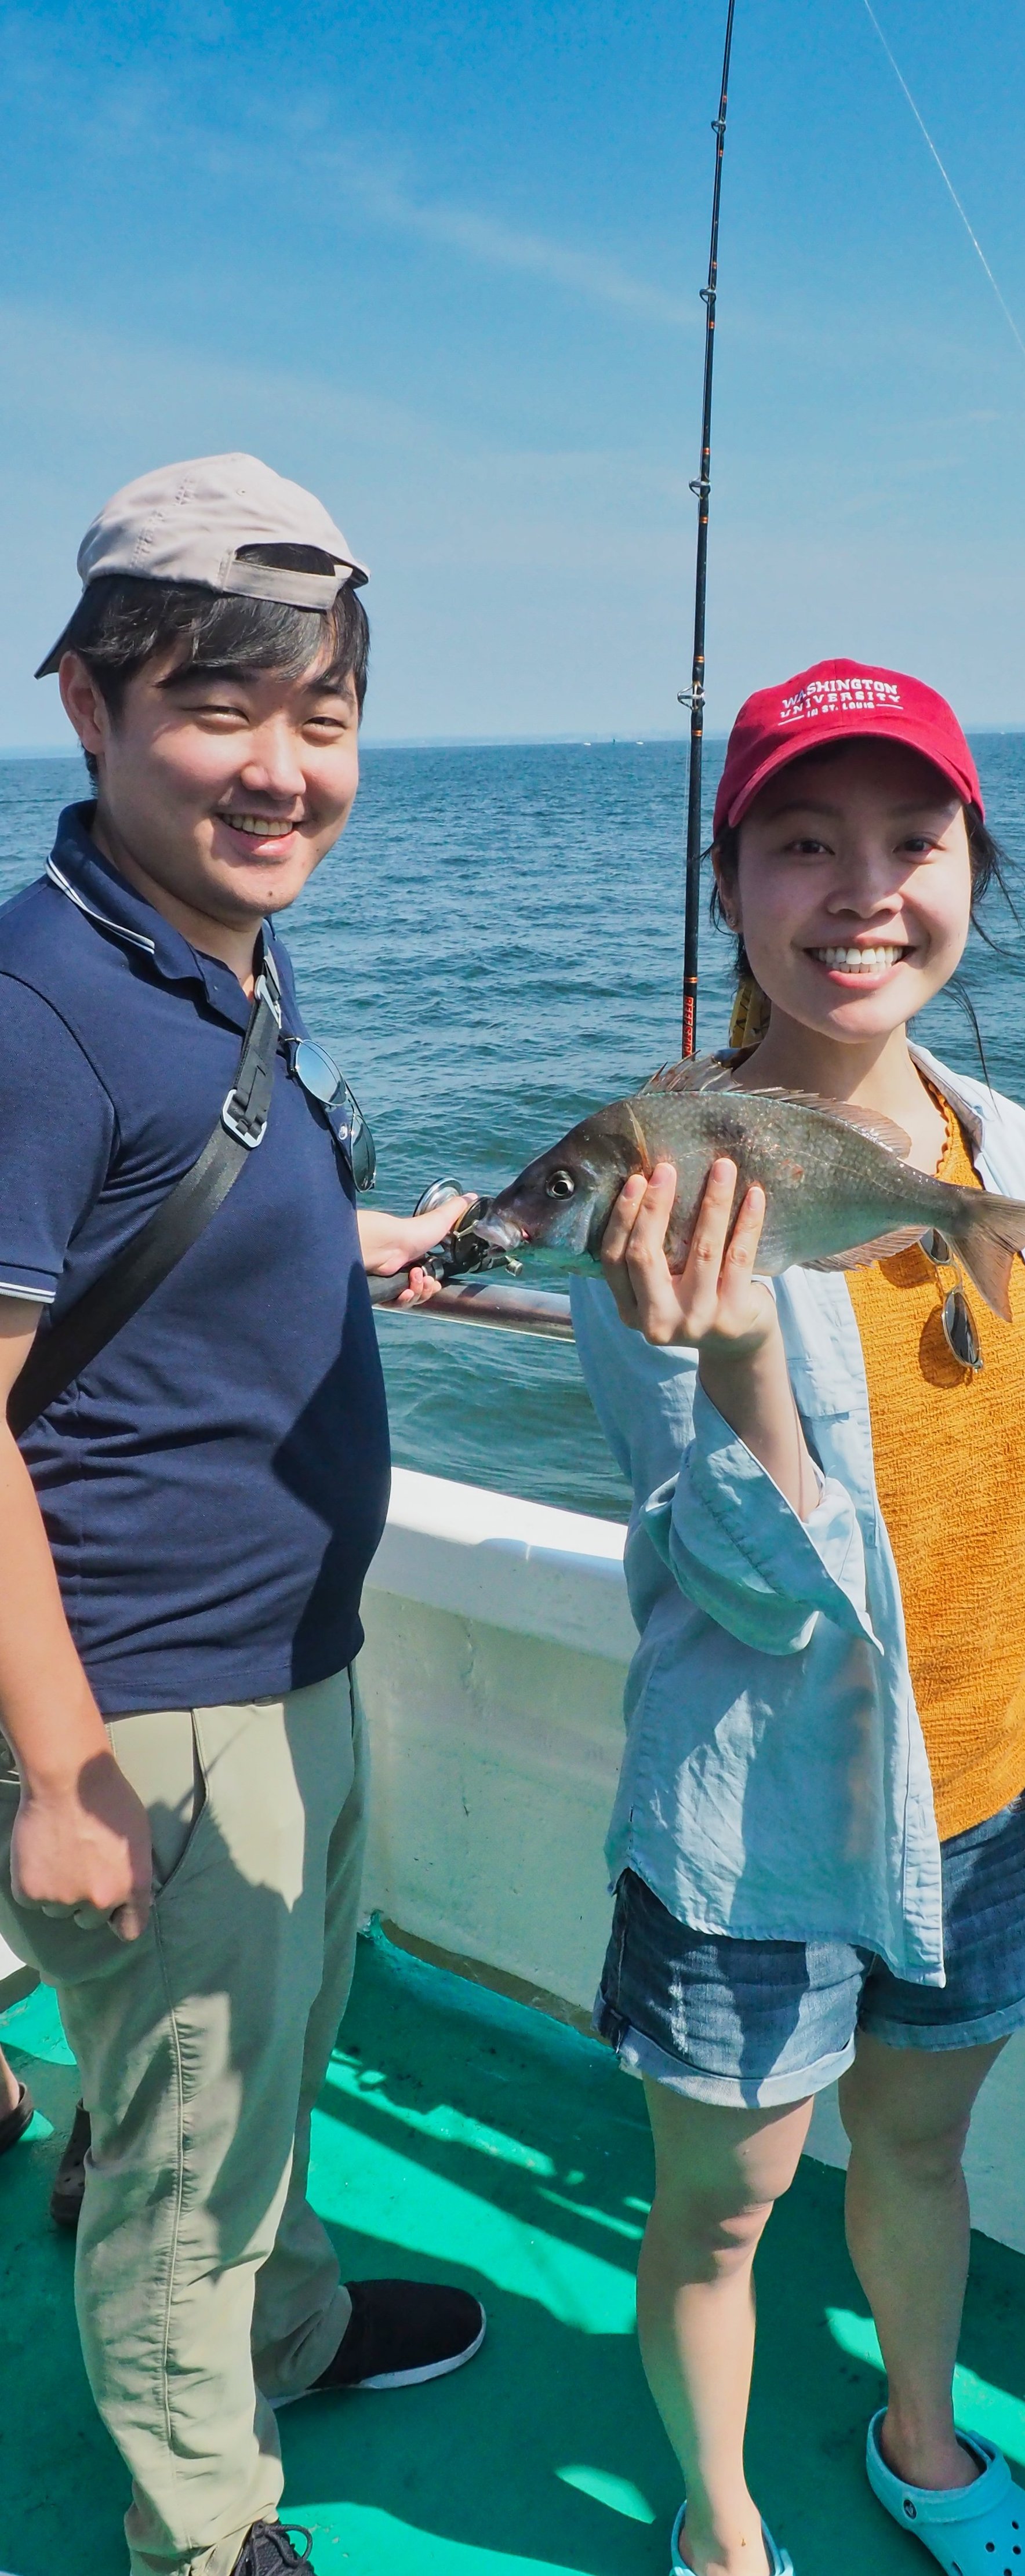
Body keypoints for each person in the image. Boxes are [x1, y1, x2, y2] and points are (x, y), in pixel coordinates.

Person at [570, 660, 1025, 2576]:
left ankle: (920, 2443)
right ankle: (724, 2523)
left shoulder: (1006, 1151)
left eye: (908, 841)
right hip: (759, 1825)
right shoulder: (652, 1189)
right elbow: (738, 1589)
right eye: (800, 842)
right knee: (719, 2209)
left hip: (991, 1796)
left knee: (922, 2156)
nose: (861, 890)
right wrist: (745, 1348)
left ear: (969, 869)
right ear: (733, 885)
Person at [0, 456, 485, 2576]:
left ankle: (279, 2331)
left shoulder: (200, 947)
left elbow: (151, 1223)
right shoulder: (37, 1009)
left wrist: (347, 1236)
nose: (284, 770)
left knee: (264, 2064)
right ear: (90, 708)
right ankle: (202, 2529)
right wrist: (65, 1774)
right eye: (222, 707)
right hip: (152, 1708)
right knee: (184, 2158)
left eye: (325, 716)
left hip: (285, 1661)